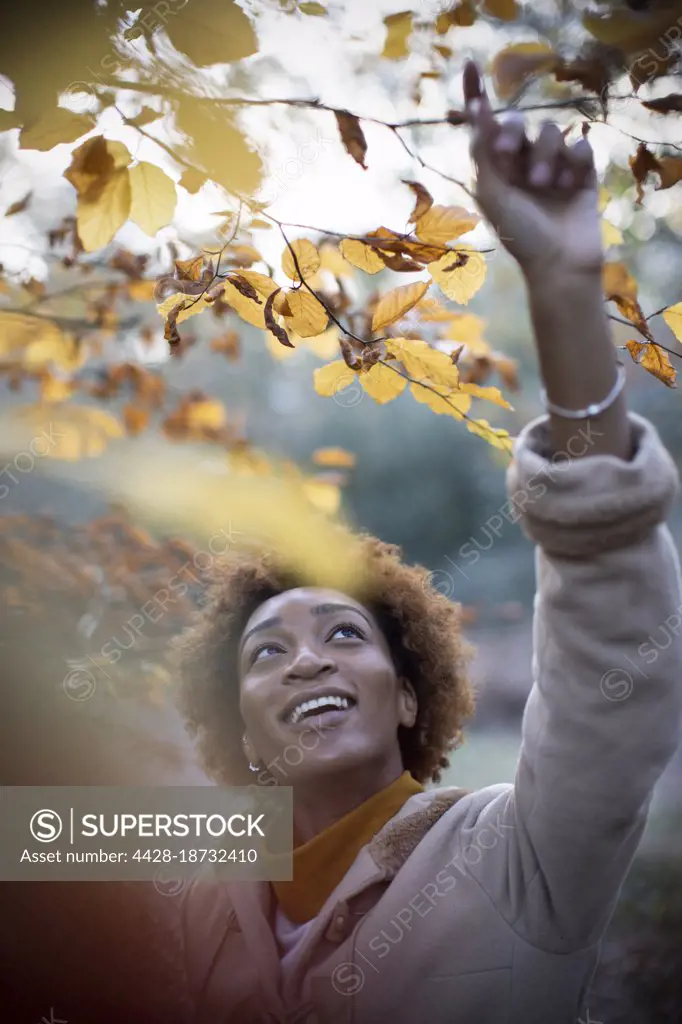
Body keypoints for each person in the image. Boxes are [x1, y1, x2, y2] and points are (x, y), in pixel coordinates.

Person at [173, 61, 682, 1024]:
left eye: (345, 635)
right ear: (240, 728)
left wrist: (567, 288)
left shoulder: (521, 857)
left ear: (409, 695)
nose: (304, 659)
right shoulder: (197, 885)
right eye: (266, 651)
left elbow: (610, 625)